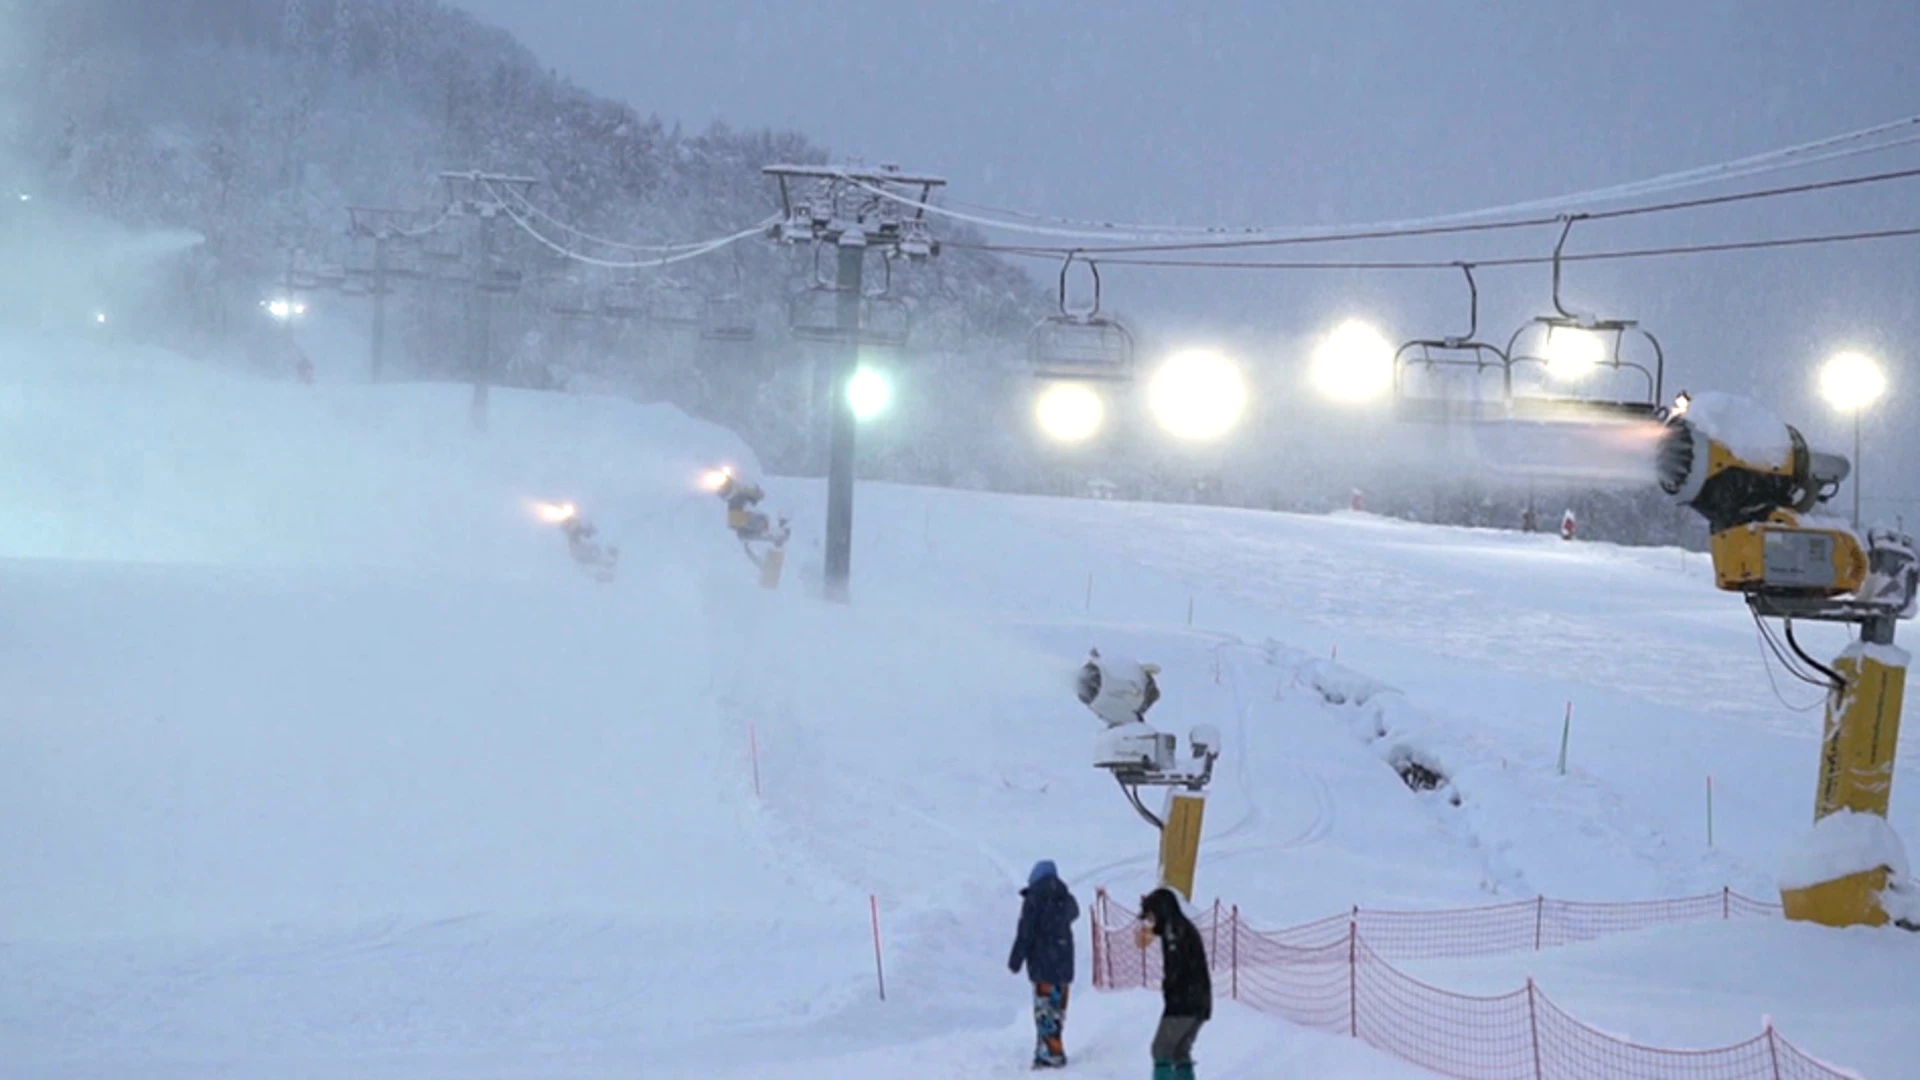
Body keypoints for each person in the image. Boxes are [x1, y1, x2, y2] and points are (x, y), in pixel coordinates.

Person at [1008, 860, 1080, 1069]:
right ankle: (1053, 1049)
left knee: (1044, 1010)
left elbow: (1025, 932)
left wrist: (1016, 959)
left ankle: (1048, 1054)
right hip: (1064, 964)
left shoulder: (1034, 899)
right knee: (1057, 1010)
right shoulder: (1065, 898)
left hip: (1043, 964)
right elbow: (1074, 913)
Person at [1136, 887, 1211, 1080]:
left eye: (1151, 917)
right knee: (1179, 1051)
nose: (1149, 922)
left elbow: (1177, 969)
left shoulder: (1174, 931)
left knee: (1161, 1049)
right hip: (1199, 1001)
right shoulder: (1180, 926)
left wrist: (1170, 993)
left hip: (1184, 1002)